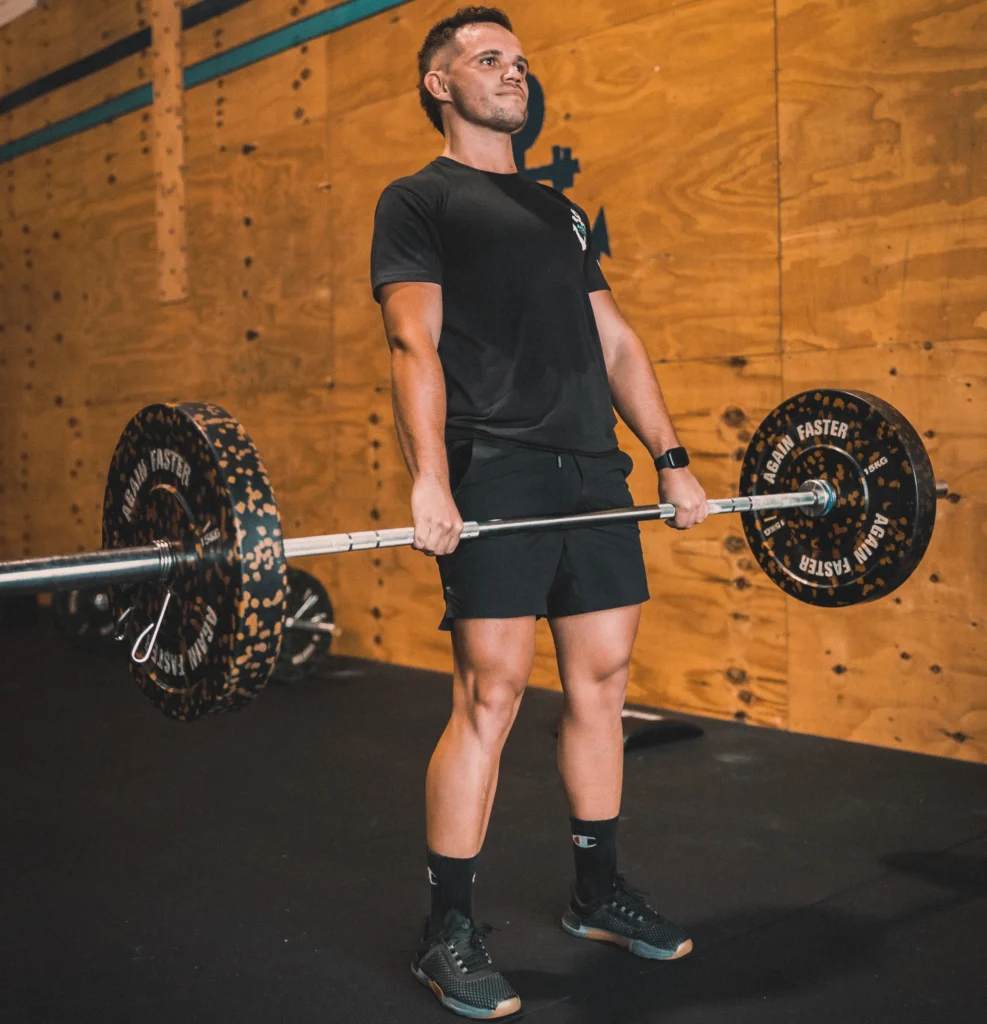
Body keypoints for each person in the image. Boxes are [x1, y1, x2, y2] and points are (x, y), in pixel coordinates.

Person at [370, 7, 708, 1018]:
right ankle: (447, 929)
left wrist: (672, 456)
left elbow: (615, 342)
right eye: (486, 59)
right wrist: (432, 477)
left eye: (516, 59)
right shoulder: (417, 199)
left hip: (591, 472)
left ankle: (597, 889)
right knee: (493, 693)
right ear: (439, 83)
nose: (511, 71)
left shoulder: (558, 210)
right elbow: (411, 343)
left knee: (601, 682)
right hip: (500, 469)